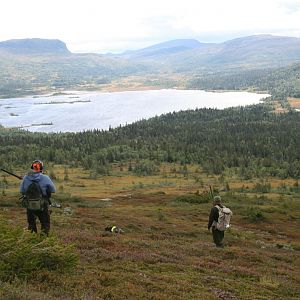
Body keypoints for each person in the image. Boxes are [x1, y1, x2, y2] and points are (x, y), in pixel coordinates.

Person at [20, 160, 56, 236]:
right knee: (45, 224)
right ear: (41, 168)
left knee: (31, 225)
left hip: (30, 205)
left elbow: (22, 191)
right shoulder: (45, 178)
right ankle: (43, 242)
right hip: (43, 205)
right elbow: (53, 190)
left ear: (32, 167)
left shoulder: (26, 177)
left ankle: (32, 241)